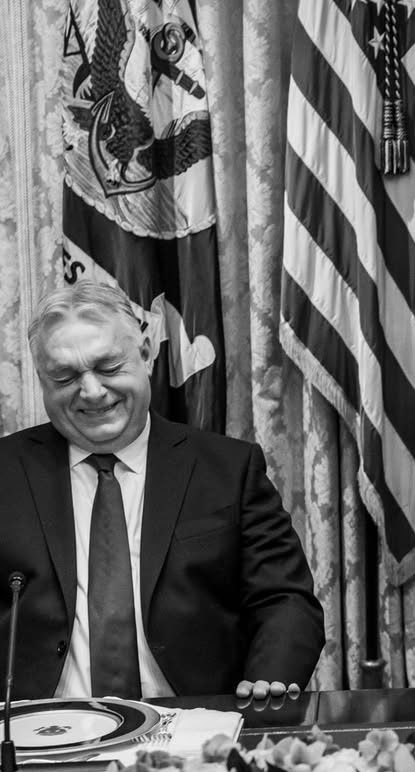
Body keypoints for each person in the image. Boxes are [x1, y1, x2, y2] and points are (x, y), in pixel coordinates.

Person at [0, 281, 325, 702]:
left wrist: (267, 681)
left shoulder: (228, 470)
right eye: (65, 376)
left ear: (146, 353)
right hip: (40, 727)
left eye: (109, 367)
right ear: (42, 380)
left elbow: (283, 598)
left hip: (196, 722)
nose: (92, 392)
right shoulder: (6, 473)